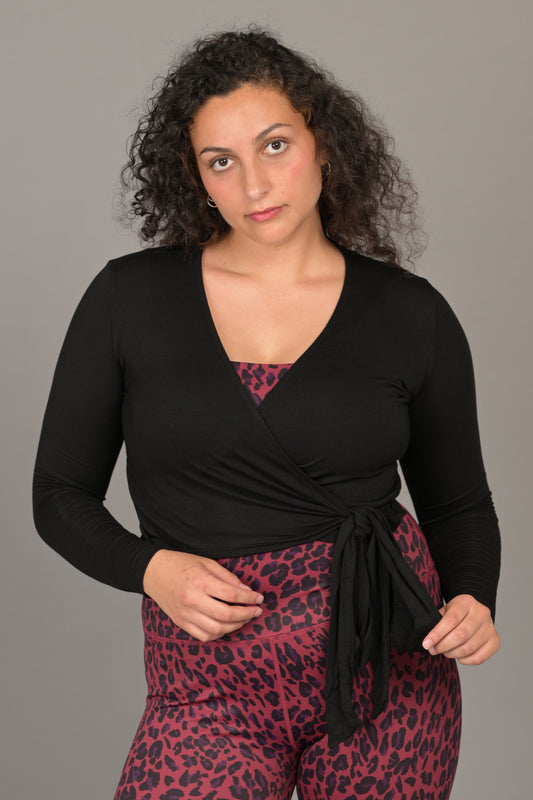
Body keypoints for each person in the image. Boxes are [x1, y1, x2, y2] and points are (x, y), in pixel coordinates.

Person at [32, 27, 501, 800]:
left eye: (274, 145)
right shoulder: (128, 299)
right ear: (194, 177)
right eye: (221, 161)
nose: (253, 184)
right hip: (208, 687)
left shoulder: (411, 314)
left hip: (387, 674)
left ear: (323, 143)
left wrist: (475, 598)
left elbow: (457, 504)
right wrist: (150, 568)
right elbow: (58, 495)